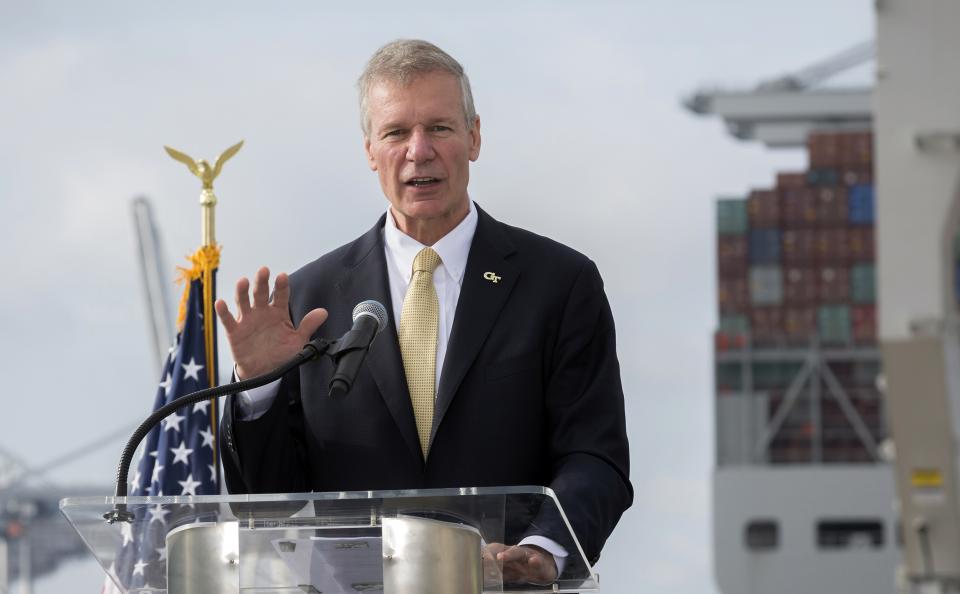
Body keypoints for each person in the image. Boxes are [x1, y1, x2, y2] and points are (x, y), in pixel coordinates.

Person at [215, 39, 632, 585]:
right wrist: (258, 388)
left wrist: (542, 549)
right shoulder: (309, 300)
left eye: (439, 128)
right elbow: (266, 503)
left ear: (474, 137)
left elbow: (595, 456)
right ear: (370, 150)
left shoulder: (559, 283)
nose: (419, 151)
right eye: (396, 133)